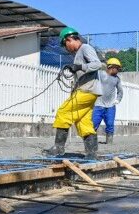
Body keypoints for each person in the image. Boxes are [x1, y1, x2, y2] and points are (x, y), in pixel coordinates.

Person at [43, 27, 103, 160]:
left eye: (65, 45)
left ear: (69, 39)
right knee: (83, 122)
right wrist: (76, 69)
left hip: (87, 90)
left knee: (64, 113)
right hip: (89, 90)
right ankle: (91, 153)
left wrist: (80, 67)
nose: (66, 48)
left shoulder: (85, 48)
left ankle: (58, 148)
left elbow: (97, 64)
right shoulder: (79, 53)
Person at [92, 58, 123, 144]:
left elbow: (120, 91)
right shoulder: (100, 74)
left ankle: (109, 142)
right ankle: (91, 142)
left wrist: (117, 100)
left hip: (110, 106)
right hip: (98, 105)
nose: (118, 70)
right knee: (93, 124)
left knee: (110, 125)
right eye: (117, 68)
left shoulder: (117, 79)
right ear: (111, 67)